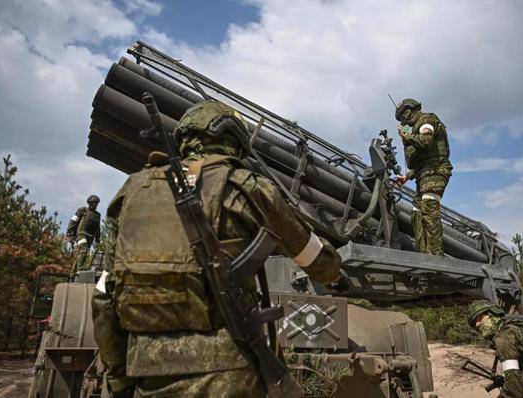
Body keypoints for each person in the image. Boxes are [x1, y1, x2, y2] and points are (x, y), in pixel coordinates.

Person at [92, 100, 346, 397]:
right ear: (235, 140)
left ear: (185, 141)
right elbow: (315, 257)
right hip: (231, 373)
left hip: (149, 375)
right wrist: (335, 275)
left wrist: (119, 375)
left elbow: (104, 294)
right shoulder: (247, 187)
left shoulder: (129, 193)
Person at [393, 99, 453, 256]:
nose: (404, 121)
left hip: (436, 171)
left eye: (403, 117)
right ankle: (425, 256)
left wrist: (407, 136)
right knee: (417, 213)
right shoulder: (415, 130)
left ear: (408, 111)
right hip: (424, 174)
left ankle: (436, 258)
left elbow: (426, 141)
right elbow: (422, 161)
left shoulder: (426, 120)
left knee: (429, 208)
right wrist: (407, 177)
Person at [66, 194, 101, 272]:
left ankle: (73, 274)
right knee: (83, 250)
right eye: (94, 203)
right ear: (89, 203)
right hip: (81, 234)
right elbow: (73, 221)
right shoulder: (83, 210)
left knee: (81, 254)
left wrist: (98, 239)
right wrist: (69, 233)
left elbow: (97, 228)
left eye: (96, 203)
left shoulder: (97, 215)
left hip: (90, 237)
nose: (95, 204)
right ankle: (81, 268)